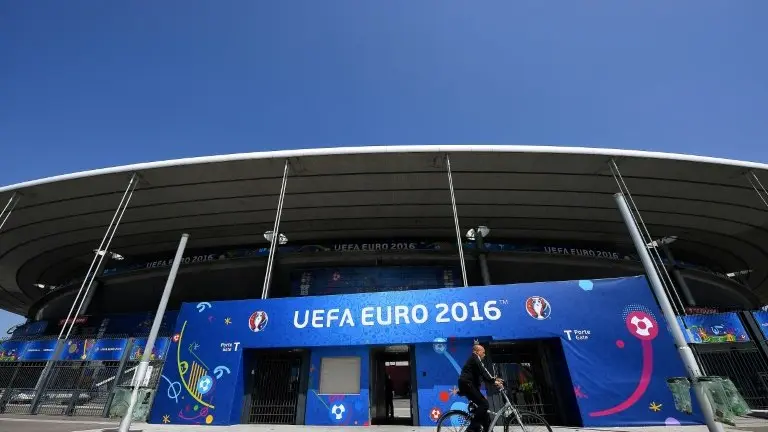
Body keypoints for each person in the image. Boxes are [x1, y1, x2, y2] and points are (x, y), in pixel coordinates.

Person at [458, 344, 503, 432]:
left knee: (484, 414)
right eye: (483, 352)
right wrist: (493, 381)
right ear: (477, 352)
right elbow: (484, 371)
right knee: (484, 404)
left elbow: (482, 376)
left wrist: (495, 379)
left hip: (468, 385)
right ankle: (471, 428)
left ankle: (484, 429)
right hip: (467, 385)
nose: (484, 354)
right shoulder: (475, 358)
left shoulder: (474, 360)